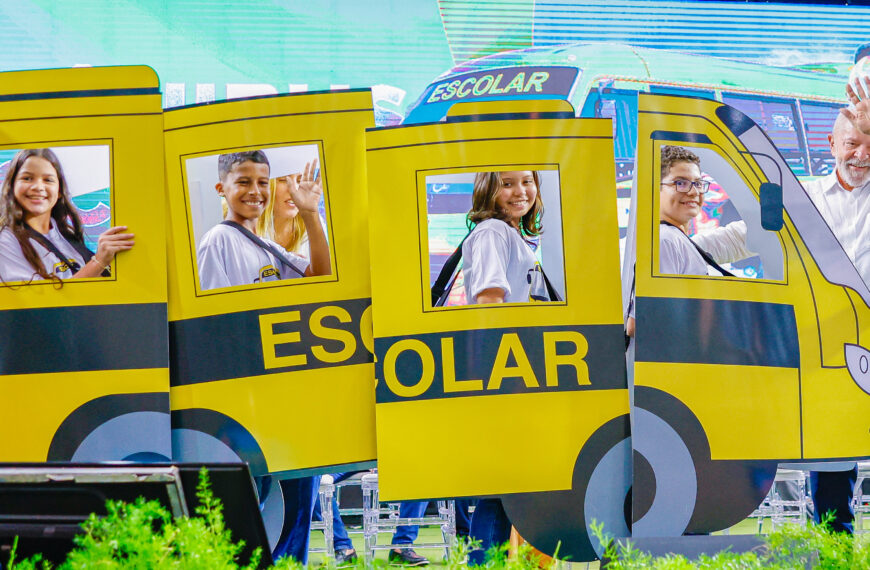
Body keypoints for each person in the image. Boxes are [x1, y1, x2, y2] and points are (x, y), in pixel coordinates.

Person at [460, 170, 555, 565]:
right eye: (508, 182)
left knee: (507, 495)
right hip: (506, 377)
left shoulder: (510, 234)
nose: (521, 191)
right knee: (501, 496)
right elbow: (489, 302)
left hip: (512, 376)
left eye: (527, 181)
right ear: (488, 189)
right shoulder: (493, 233)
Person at [800, 83, 870, 534]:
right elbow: (740, 238)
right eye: (853, 143)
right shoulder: (803, 197)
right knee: (833, 464)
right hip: (831, 349)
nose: (862, 154)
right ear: (831, 143)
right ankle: (835, 551)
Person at [625, 145, 751, 337]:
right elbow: (640, 323)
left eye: (698, 183)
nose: (694, 192)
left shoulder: (674, 239)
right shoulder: (664, 241)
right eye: (681, 183)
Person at [196, 151, 330, 291]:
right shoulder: (218, 240)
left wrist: (309, 213)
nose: (255, 191)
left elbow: (321, 277)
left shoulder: (270, 248)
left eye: (262, 183)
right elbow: (215, 308)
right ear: (221, 189)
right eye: (244, 182)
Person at [0, 148, 134, 284]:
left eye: (48, 180)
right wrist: (98, 262)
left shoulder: (64, 234)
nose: (38, 187)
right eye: (27, 178)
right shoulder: (6, 240)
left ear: (59, 191)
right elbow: (38, 301)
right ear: (12, 186)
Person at [256, 173, 314, 257]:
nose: (294, 189)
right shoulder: (245, 226)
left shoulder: (313, 222)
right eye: (283, 180)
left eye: (300, 180)